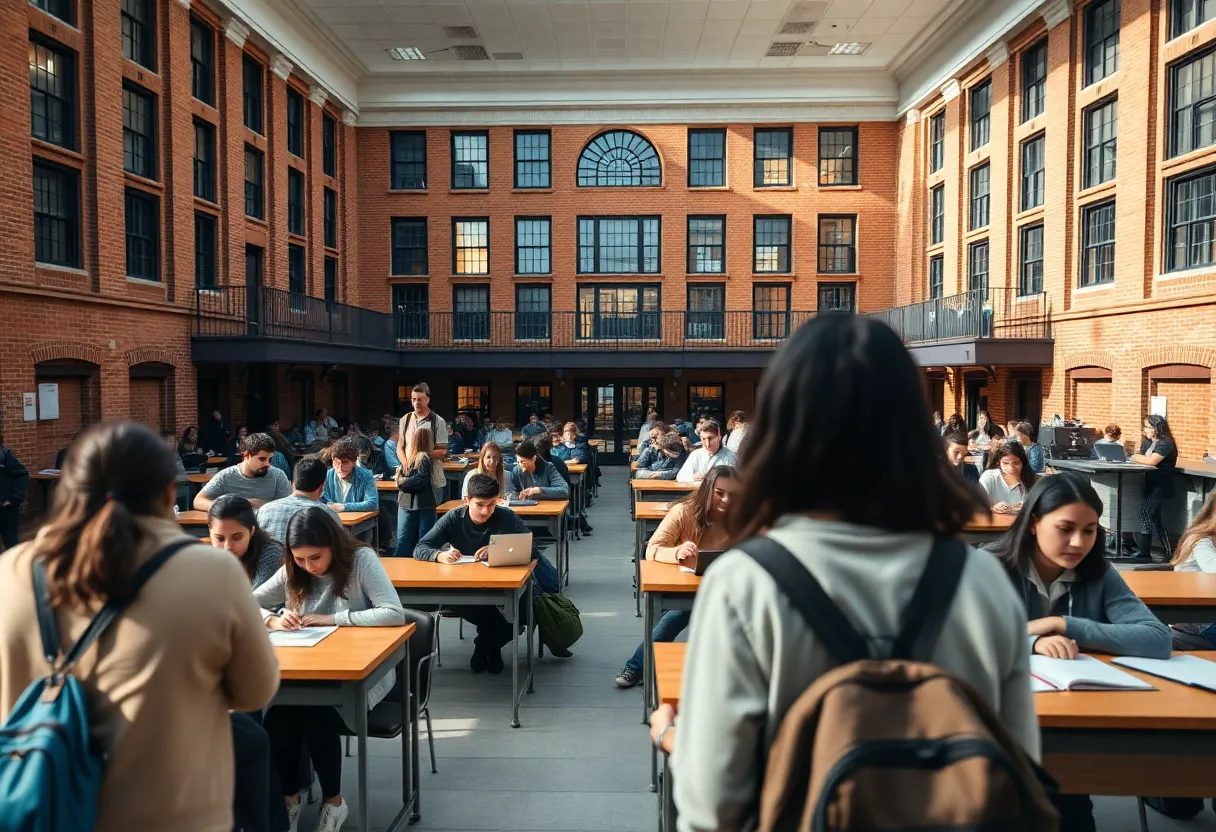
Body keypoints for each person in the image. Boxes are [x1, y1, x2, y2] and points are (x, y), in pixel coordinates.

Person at [653, 315, 1035, 832]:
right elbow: (1017, 771)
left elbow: (713, 807)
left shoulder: (746, 584)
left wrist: (674, 737)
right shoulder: (983, 582)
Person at [0, 421, 279, 831]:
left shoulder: (12, 572)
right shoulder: (212, 571)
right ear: (169, 494)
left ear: (68, 489)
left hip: (45, 802)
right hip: (174, 810)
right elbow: (255, 689)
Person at [992, 473, 1171, 830]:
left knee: (1066, 801)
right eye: (1065, 528)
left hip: (1075, 718)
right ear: (1032, 524)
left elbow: (1156, 639)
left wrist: (1064, 624)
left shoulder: (1099, 574)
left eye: (1090, 530)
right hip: (1000, 723)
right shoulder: (990, 567)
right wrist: (1031, 640)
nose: (1078, 542)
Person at [254, 508, 406, 832]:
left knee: (314, 713)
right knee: (279, 715)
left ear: (334, 547)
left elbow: (393, 613)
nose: (308, 566)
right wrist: (272, 619)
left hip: (362, 674)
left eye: (316, 558)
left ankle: (333, 803)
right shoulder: (294, 568)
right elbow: (245, 600)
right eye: (299, 559)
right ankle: (289, 800)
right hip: (309, 666)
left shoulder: (361, 560)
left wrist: (335, 618)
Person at [415, 473, 559, 672]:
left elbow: (531, 549)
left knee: (523, 613)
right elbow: (421, 547)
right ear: (467, 500)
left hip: (503, 587)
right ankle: (491, 648)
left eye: (491, 504)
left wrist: (497, 550)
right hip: (464, 589)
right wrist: (439, 555)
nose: (486, 511)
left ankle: (484, 645)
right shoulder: (454, 517)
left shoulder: (505, 516)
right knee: (488, 613)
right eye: (480, 504)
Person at [615, 467, 736, 689]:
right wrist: (677, 553)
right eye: (720, 493)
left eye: (733, 494)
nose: (727, 500)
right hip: (691, 586)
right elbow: (653, 548)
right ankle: (637, 666)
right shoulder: (684, 511)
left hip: (730, 587)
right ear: (707, 490)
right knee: (673, 619)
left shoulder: (744, 516)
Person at [194, 433, 292, 513]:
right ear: (246, 455)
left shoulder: (278, 476)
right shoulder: (226, 476)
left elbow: (288, 507)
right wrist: (236, 505)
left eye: (269, 459)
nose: (267, 464)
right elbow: (198, 501)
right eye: (262, 459)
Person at [256, 457, 341, 543]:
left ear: (292, 484)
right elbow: (342, 546)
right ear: (322, 487)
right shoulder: (327, 514)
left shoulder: (264, 510)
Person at [207, 494, 284, 588]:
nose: (227, 547)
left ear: (252, 531)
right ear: (210, 532)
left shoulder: (272, 555)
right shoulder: (204, 558)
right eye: (220, 538)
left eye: (237, 538)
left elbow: (256, 601)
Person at [1130, 414, 1179, 562]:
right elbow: (1142, 456)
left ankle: (1145, 553)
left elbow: (1151, 461)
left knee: (1145, 514)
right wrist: (1138, 457)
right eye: (1145, 427)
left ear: (1157, 428)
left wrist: (1134, 457)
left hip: (1161, 485)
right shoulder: (1148, 443)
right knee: (1155, 518)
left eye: (1148, 427)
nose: (1145, 430)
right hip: (1150, 483)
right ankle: (1168, 552)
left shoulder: (1165, 443)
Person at [397, 382, 449, 503]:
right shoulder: (405, 419)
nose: (416, 403)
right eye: (413, 399)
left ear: (428, 399)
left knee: (430, 519)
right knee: (407, 518)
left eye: (420, 399)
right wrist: (406, 464)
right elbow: (400, 446)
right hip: (409, 477)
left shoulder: (438, 421)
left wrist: (421, 457)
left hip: (432, 479)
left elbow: (442, 451)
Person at [394, 427, 437, 558]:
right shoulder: (424, 457)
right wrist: (401, 482)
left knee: (404, 540)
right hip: (423, 502)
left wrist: (400, 481)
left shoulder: (409, 457)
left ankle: (397, 571)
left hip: (406, 501)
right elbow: (422, 480)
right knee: (423, 541)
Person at [321, 437, 379, 513]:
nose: (340, 468)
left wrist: (344, 507)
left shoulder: (366, 476)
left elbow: (372, 503)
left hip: (358, 523)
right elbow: (320, 499)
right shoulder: (328, 475)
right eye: (336, 463)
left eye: (345, 463)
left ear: (354, 462)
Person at [978, 441, 1037, 514]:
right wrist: (992, 508)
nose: (1011, 468)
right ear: (999, 462)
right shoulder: (989, 477)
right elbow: (978, 505)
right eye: (1005, 463)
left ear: (1023, 463)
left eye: (1016, 463)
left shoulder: (1029, 481)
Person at [0, 430, 30, 551]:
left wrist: (14, 498)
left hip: (6, 508)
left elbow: (23, 475)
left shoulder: (6, 456)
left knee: (11, 544)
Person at [161, 430, 192, 508]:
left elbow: (183, 475)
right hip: (162, 490)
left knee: (189, 488)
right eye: (168, 441)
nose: (171, 444)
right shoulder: (156, 456)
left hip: (176, 485)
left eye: (172, 441)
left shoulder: (175, 454)